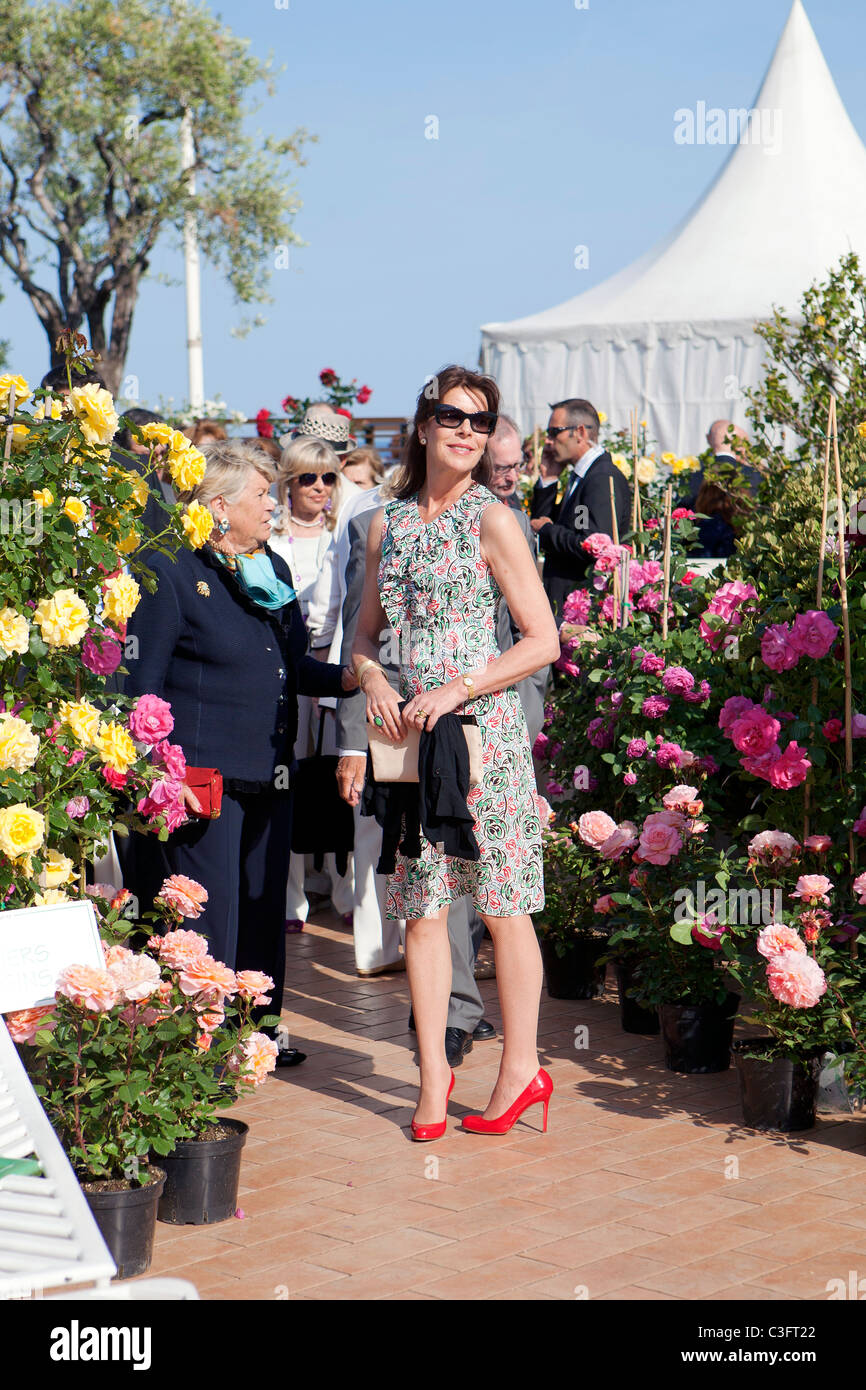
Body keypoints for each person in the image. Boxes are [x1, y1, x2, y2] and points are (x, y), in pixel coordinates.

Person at [353, 364, 559, 1140]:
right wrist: (371, 673)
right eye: (453, 417)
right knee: (424, 911)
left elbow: (543, 640)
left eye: (482, 420)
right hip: (408, 738)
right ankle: (433, 1078)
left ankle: (520, 1069)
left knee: (504, 907)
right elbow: (363, 635)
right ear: (423, 426)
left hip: (485, 737)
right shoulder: (386, 523)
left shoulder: (492, 519)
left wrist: (459, 687)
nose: (468, 431)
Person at [120, 439, 358, 1066]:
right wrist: (155, 773)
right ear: (219, 505)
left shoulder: (271, 569)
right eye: (262, 495)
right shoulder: (170, 568)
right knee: (209, 910)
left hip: (268, 768)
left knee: (261, 903)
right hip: (202, 774)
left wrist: (346, 679)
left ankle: (255, 1032)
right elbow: (141, 685)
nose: (273, 506)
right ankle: (198, 1042)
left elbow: (290, 664)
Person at [270, 436, 354, 930]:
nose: (319, 487)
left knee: (337, 776)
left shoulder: (342, 535)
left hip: (333, 669)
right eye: (308, 477)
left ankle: (345, 893)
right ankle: (291, 899)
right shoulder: (271, 537)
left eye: (328, 477)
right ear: (289, 483)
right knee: (289, 778)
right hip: (287, 672)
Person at [530, 398, 630, 621]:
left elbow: (591, 544)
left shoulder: (601, 478)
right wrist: (549, 479)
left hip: (582, 610)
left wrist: (548, 531)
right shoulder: (582, 476)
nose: (548, 440)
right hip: (566, 603)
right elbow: (541, 522)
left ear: (581, 432)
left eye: (555, 431)